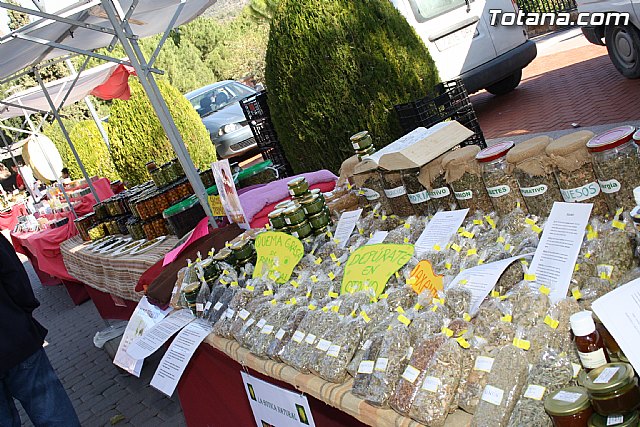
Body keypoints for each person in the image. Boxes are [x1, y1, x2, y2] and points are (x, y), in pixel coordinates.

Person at [0, 233, 80, 427]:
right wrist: (24, 313)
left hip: (15, 337)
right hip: (14, 336)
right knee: (52, 412)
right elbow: (15, 277)